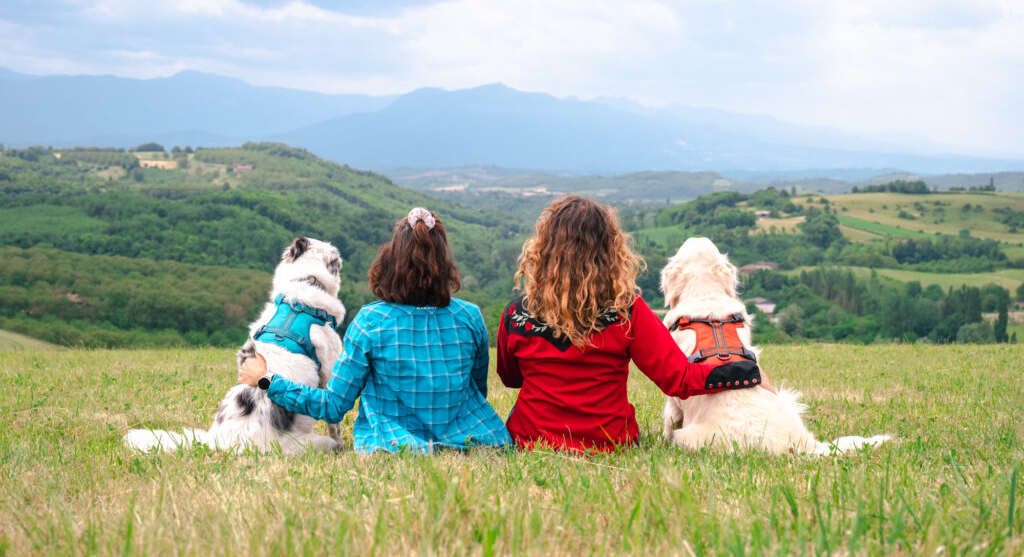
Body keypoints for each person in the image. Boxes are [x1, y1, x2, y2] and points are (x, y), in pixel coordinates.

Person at [496, 195, 768, 453]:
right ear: (609, 251)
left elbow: (510, 379)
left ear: (543, 249)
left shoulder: (516, 313)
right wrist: (744, 370)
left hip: (532, 441)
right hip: (610, 442)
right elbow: (680, 380)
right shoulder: (627, 311)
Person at [238, 207, 511, 453]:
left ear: (392, 260)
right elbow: (476, 391)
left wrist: (266, 379)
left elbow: (333, 405)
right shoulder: (470, 316)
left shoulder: (371, 320)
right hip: (474, 439)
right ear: (445, 262)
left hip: (395, 444)